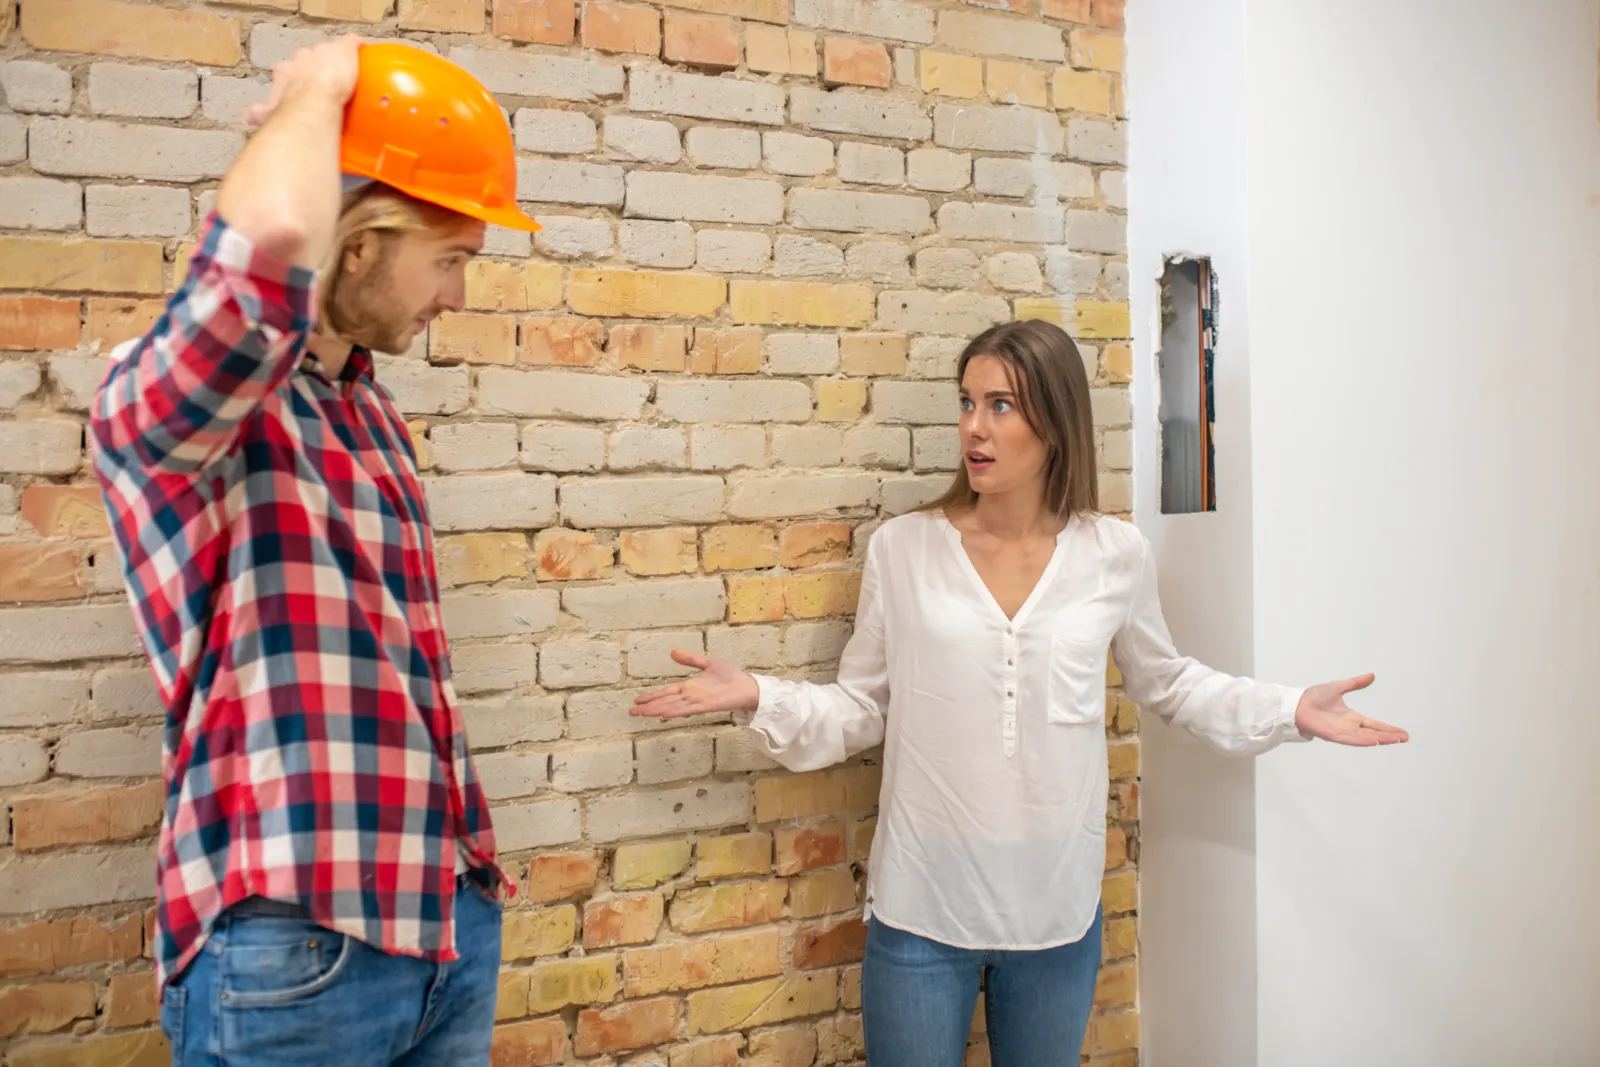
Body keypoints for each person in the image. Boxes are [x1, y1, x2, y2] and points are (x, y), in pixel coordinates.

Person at [631, 319, 1409, 1067]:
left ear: (1055, 423)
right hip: (921, 913)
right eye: (967, 402)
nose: (975, 426)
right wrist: (758, 695)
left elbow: (1166, 681)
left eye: (1000, 405)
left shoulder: (1114, 554)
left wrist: (1289, 709)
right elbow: (861, 707)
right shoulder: (904, 549)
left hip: (1056, 916)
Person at [90, 37, 541, 1067]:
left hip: (442, 922)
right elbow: (268, 247)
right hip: (296, 946)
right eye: (451, 257)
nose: (459, 296)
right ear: (362, 241)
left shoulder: (367, 410)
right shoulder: (177, 404)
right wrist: (317, 90)